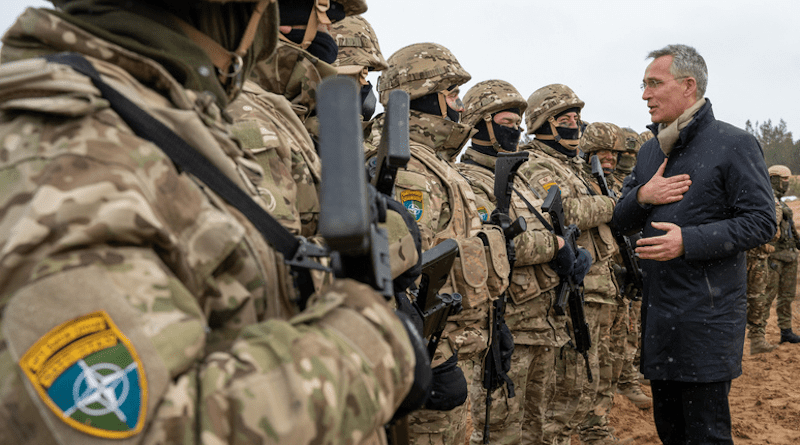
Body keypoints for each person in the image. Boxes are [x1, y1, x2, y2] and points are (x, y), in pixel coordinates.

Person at [0, 1, 423, 444]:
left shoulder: (152, 120)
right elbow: (154, 428)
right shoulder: (68, 154)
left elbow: (238, 301)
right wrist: (371, 345)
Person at [613, 44, 776, 444]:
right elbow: (620, 220)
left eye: (654, 84)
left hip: (707, 321)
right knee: (670, 433)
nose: (645, 94)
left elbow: (761, 221)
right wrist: (641, 197)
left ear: (689, 86)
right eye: (643, 84)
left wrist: (689, 240)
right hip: (659, 322)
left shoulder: (733, 144)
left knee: (705, 435)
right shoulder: (651, 150)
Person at [368, 43, 512, 445]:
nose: (461, 107)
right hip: (430, 352)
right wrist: (433, 358)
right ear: (423, 95)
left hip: (451, 344)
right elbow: (405, 278)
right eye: (451, 95)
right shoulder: (408, 168)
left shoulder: (433, 163)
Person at [456, 79, 591, 444]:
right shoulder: (468, 180)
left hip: (543, 322)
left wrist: (571, 252)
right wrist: (556, 246)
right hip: (506, 326)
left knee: (537, 428)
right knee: (499, 431)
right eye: (505, 121)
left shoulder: (517, 180)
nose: (514, 130)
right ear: (481, 122)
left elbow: (551, 226)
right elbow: (495, 245)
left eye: (518, 124)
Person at [518, 85, 621, 444]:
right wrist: (610, 206)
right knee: (565, 389)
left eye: (576, 118)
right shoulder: (535, 162)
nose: (574, 125)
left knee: (588, 380)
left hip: (596, 285)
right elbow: (564, 210)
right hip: (570, 288)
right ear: (543, 124)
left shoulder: (571, 165)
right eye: (565, 119)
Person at [763, 165, 800, 344]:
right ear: (775, 179)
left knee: (787, 296)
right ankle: (757, 333)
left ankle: (786, 331)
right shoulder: (767, 201)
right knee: (767, 296)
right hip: (775, 258)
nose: (786, 183)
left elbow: (790, 228)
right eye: (784, 179)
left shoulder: (782, 202)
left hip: (790, 256)